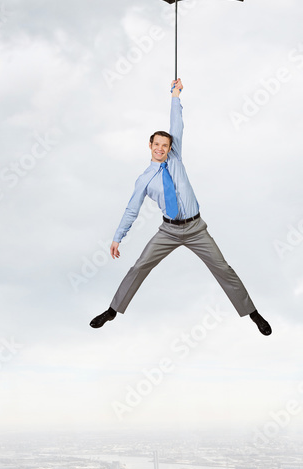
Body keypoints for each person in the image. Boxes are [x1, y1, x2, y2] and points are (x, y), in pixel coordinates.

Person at [90, 78, 271, 335]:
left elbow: (177, 124)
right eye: (157, 145)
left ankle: (252, 313)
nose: (161, 149)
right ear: (150, 146)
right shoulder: (144, 179)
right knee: (139, 266)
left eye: (165, 145)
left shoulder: (176, 158)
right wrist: (118, 237)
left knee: (223, 269)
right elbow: (132, 210)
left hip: (196, 229)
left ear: (170, 148)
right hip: (168, 231)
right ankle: (112, 310)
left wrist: (175, 96)